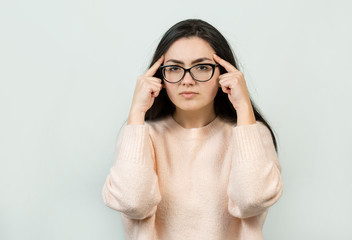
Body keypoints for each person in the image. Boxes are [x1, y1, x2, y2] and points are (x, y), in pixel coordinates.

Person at [102, 18, 283, 240]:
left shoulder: (252, 133)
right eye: (175, 68)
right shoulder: (140, 134)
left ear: (223, 73)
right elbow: (134, 203)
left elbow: (251, 201)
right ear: (160, 75)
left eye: (202, 67)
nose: (187, 80)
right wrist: (137, 112)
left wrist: (243, 108)